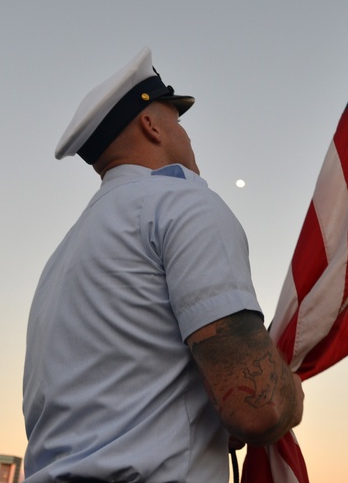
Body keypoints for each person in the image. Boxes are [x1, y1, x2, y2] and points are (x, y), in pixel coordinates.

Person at [22, 47, 303, 483]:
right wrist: (290, 394)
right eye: (177, 119)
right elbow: (256, 406)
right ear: (151, 125)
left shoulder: (66, 253)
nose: (187, 136)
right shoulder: (183, 204)